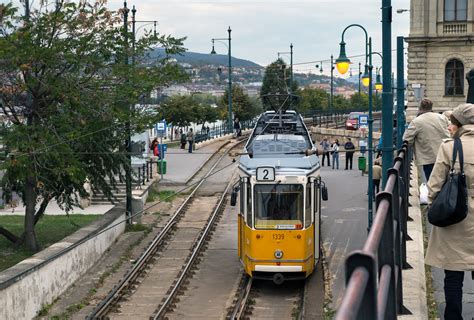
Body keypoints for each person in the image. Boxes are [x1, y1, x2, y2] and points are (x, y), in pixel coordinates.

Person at [425, 103, 474, 320]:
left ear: (458, 124)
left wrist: (433, 206)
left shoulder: (450, 147)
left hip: (457, 215)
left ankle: (453, 317)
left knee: (452, 275)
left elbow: (434, 186)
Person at [403, 98, 450, 181]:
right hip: (445, 154)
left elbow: (406, 139)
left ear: (420, 108)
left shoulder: (416, 121)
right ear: (431, 107)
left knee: (432, 182)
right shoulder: (442, 117)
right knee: (446, 180)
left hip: (428, 157)